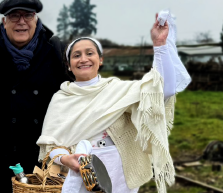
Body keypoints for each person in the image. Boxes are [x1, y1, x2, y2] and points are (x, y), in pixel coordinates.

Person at [37, 12, 191, 193]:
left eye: (90, 53)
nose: (83, 59)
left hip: (120, 175)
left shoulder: (117, 90)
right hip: (79, 178)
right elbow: (49, 147)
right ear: (69, 65)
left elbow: (164, 90)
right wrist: (65, 159)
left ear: (100, 60)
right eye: (76, 55)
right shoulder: (61, 99)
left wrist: (159, 45)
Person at [0, 0, 69, 192]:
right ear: (4, 22)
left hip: (44, 162)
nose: (21, 21)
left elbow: (78, 93)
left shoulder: (56, 51)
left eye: (27, 15)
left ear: (36, 19)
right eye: (14, 16)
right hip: (3, 163)